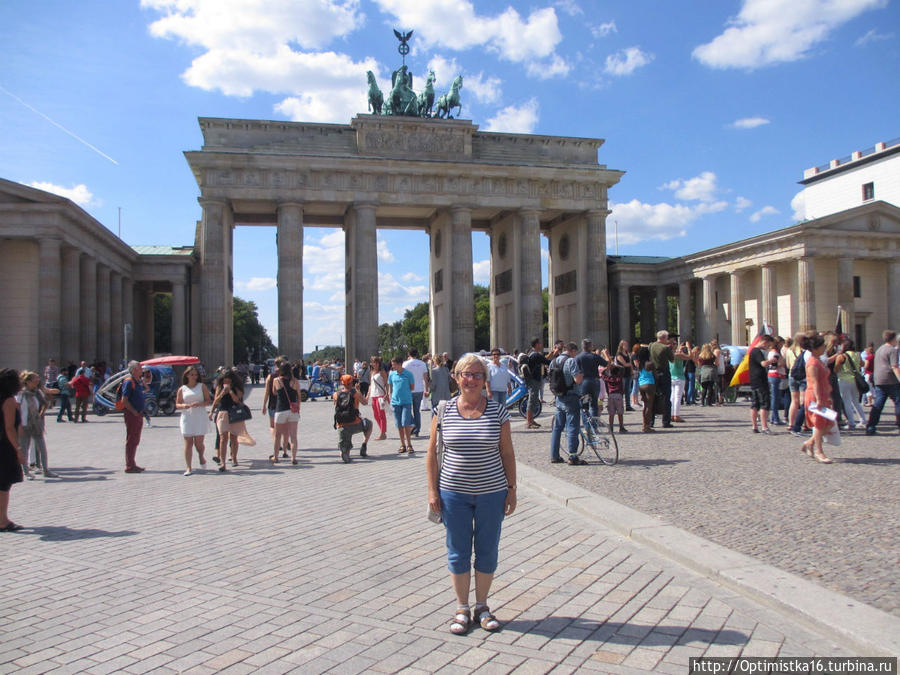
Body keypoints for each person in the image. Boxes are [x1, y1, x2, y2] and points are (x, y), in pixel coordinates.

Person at [425, 353, 516, 635]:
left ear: (485, 379)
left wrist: (512, 489)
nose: (472, 379)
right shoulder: (443, 409)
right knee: (458, 551)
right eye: (466, 374)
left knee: (487, 550)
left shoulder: (498, 411)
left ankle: (482, 605)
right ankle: (462, 607)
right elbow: (431, 453)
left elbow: (507, 452)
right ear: (456, 377)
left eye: (478, 374)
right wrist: (432, 490)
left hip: (491, 492)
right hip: (453, 493)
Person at [800, 333, 835, 463]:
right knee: (819, 425)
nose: (824, 348)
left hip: (823, 394)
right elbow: (814, 382)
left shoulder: (819, 360)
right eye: (822, 346)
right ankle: (819, 451)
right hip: (815, 395)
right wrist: (819, 399)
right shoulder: (812, 363)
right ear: (815, 348)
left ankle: (810, 442)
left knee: (829, 423)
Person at [549, 342, 586, 465]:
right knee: (572, 426)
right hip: (571, 397)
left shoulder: (553, 362)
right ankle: (573, 456)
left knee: (557, 427)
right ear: (573, 351)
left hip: (559, 397)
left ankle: (554, 455)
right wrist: (581, 374)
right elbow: (577, 380)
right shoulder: (571, 361)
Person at [17, 371, 57, 478]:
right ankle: (26, 472)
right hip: (24, 424)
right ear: (28, 382)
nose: (37, 381)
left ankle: (46, 470)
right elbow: (17, 409)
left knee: (42, 447)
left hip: (35, 424)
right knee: (24, 448)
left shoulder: (37, 392)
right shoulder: (21, 394)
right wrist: (18, 424)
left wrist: (40, 415)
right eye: (35, 379)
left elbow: (45, 403)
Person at [212, 369, 254, 471]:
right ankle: (223, 463)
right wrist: (222, 393)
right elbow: (216, 400)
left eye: (229, 381)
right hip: (222, 412)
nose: (226, 383)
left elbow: (237, 400)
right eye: (225, 381)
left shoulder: (237, 388)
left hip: (234, 413)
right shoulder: (219, 387)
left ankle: (234, 458)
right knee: (223, 438)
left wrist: (230, 391)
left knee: (233, 438)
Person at [0, 369, 25, 531]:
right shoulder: (8, 401)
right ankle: (2, 520)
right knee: (4, 485)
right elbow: (10, 428)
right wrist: (18, 449)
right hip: (5, 446)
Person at [176, 366, 211, 476]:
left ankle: (201, 456)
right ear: (187, 375)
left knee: (198, 444)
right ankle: (188, 467)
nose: (194, 377)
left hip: (199, 417)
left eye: (196, 375)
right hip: (187, 417)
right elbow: (177, 404)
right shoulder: (182, 389)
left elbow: (207, 401)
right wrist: (184, 405)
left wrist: (199, 404)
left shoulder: (202, 386)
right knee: (188, 443)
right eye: (192, 374)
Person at [865, 330, 900, 436]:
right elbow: (894, 366)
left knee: (878, 404)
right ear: (893, 339)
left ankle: (871, 426)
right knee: (898, 402)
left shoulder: (880, 349)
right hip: (890, 379)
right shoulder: (892, 350)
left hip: (879, 380)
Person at [333, 374, 372, 463]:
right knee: (369, 424)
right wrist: (364, 392)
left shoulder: (336, 394)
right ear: (351, 383)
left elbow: (336, 406)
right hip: (355, 423)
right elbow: (365, 402)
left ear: (342, 383)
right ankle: (364, 444)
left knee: (345, 442)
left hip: (341, 424)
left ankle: (344, 451)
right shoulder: (355, 393)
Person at [270, 362, 301, 465]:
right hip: (293, 410)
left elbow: (274, 392)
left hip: (280, 409)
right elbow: (299, 396)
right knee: (293, 436)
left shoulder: (276, 380)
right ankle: (293, 457)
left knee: (278, 435)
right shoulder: (295, 381)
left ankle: (276, 457)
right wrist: (298, 408)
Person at [119, 361, 146, 473]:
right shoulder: (129, 382)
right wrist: (134, 411)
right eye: (140, 368)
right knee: (132, 439)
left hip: (138, 414)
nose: (142, 370)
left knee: (135, 439)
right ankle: (129, 465)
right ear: (134, 370)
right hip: (132, 414)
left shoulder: (137, 381)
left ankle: (132, 463)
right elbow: (124, 400)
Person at [835, 338, 866, 430]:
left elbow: (836, 369)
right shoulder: (857, 354)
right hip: (855, 380)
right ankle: (863, 420)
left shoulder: (842, 356)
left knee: (847, 402)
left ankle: (851, 422)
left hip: (844, 379)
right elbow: (862, 364)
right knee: (856, 401)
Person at [748, 334, 776, 434]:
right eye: (768, 345)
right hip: (760, 380)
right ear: (764, 342)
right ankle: (764, 426)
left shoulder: (753, 351)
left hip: (754, 380)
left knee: (755, 404)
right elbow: (763, 363)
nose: (768, 348)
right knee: (764, 403)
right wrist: (771, 361)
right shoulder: (757, 351)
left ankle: (754, 426)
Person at [387, 356, 416, 454]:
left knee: (405, 423)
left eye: (394, 364)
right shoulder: (392, 375)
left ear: (399, 364)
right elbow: (390, 386)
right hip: (395, 402)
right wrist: (389, 397)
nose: (393, 366)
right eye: (392, 365)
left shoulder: (408, 374)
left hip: (406, 402)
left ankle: (409, 444)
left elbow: (412, 387)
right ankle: (402, 444)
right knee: (399, 424)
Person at [262, 357, 288, 459]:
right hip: (285, 406)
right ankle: (285, 450)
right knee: (285, 429)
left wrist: (264, 405)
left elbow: (267, 392)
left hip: (273, 405)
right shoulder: (288, 377)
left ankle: (276, 444)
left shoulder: (271, 377)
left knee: (273, 427)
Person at [649, 331, 676, 428]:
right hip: (664, 373)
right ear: (664, 338)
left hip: (653, 373)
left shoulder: (651, 346)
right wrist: (671, 349)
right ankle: (666, 421)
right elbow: (672, 360)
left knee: (653, 397)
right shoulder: (666, 348)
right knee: (666, 397)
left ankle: (651, 421)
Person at [524, 338, 551, 429]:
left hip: (533, 380)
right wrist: (554, 353)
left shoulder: (532, 354)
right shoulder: (535, 355)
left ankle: (531, 420)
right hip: (534, 380)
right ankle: (528, 421)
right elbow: (547, 361)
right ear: (536, 345)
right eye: (540, 343)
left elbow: (544, 359)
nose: (541, 345)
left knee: (534, 399)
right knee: (532, 400)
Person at [575, 338, 605, 418]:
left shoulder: (578, 357)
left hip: (585, 383)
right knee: (594, 404)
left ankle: (587, 428)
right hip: (595, 382)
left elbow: (576, 371)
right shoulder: (595, 356)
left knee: (585, 405)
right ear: (590, 347)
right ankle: (594, 427)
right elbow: (606, 364)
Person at [402, 348, 429, 437]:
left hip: (409, 389)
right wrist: (426, 390)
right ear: (417, 354)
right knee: (417, 410)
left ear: (409, 354)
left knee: (406, 409)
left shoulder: (405, 364)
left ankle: (413, 424)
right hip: (420, 389)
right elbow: (426, 378)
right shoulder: (422, 364)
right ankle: (417, 430)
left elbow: (403, 377)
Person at [601, 363, 627, 433]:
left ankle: (611, 428)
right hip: (618, 395)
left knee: (611, 414)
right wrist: (615, 365)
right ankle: (621, 427)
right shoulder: (619, 378)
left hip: (611, 396)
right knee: (620, 413)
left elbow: (602, 374)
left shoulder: (609, 378)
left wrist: (607, 367)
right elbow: (623, 368)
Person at [368, 356, 388, 440]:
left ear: (379, 363)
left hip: (380, 395)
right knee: (376, 415)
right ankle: (382, 430)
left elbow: (387, 383)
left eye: (376, 362)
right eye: (373, 362)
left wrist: (387, 394)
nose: (375, 364)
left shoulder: (382, 372)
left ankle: (383, 433)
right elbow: (371, 385)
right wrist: (367, 395)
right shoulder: (372, 372)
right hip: (373, 395)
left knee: (381, 415)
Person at [669, 341, 688, 423]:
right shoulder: (678, 354)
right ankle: (676, 415)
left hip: (671, 376)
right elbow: (690, 357)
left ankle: (671, 414)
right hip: (679, 377)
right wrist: (689, 347)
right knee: (677, 397)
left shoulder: (669, 354)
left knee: (672, 397)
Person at [614, 341, 634, 412]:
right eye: (625, 345)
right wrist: (631, 364)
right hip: (622, 374)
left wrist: (632, 371)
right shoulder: (619, 354)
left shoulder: (627, 353)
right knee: (621, 391)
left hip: (628, 374)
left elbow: (630, 363)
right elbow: (624, 364)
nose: (627, 346)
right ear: (622, 345)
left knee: (628, 391)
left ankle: (628, 406)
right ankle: (620, 406)